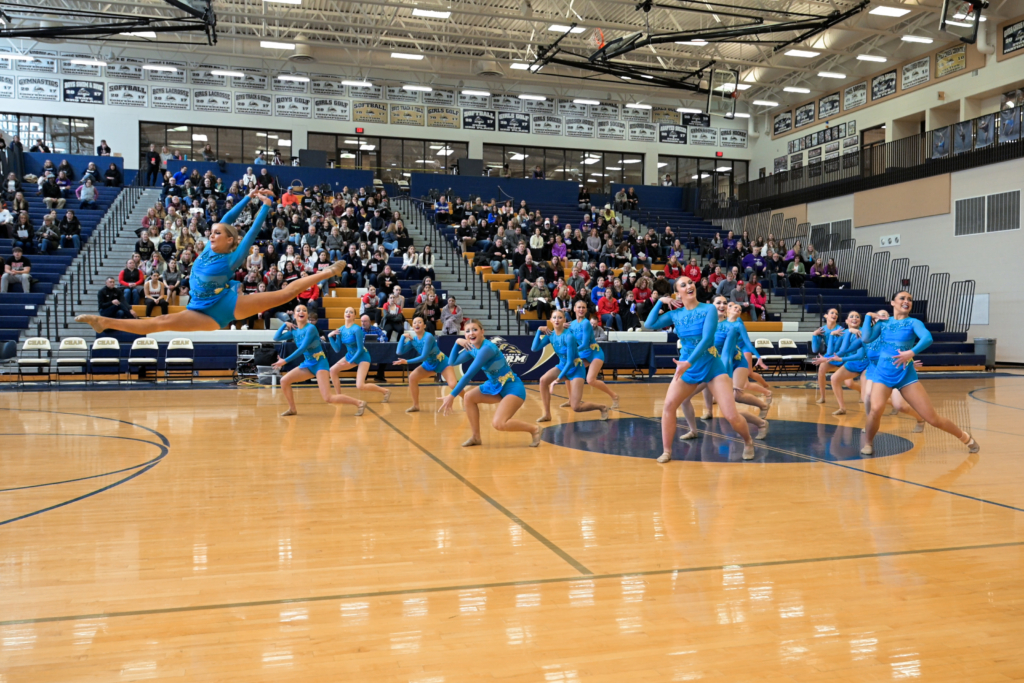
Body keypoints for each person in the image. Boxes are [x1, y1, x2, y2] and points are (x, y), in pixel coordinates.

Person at [76, 190, 345, 334]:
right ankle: (105, 322)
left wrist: (265, 206)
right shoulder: (206, 250)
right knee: (159, 324)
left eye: (218, 232)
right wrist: (247, 197)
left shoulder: (232, 258)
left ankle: (328, 271)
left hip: (227, 304)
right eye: (211, 231)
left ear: (230, 241)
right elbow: (227, 216)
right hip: (201, 310)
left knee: (286, 292)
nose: (211, 233)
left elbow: (249, 234)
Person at [644, 278, 756, 463]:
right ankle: (667, 451)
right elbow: (649, 324)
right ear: (677, 293)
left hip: (712, 365)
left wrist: (687, 362)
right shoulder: (675, 314)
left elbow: (706, 340)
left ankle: (748, 441)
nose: (689, 286)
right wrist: (659, 302)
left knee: (730, 415)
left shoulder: (708, 309)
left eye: (690, 282)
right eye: (683, 285)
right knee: (669, 406)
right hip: (688, 367)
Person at [860, 292, 979, 455]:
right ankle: (868, 443)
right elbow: (866, 338)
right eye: (902, 298)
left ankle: (965, 437)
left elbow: (927, 338)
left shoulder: (913, 322)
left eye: (909, 299)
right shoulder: (883, 323)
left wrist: (911, 352)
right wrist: (868, 316)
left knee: (933, 419)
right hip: (883, 375)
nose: (906, 301)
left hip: (906, 375)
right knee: (876, 409)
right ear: (893, 303)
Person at [437, 319, 541, 448]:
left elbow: (469, 375)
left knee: (499, 424)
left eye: (475, 329)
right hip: (494, 386)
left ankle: (534, 429)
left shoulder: (487, 348)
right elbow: (452, 363)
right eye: (467, 331)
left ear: (482, 332)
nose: (471, 333)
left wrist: (451, 395)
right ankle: (476, 437)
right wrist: (457, 342)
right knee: (469, 397)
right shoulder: (472, 347)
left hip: (512, 387)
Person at [274, 305, 367, 416]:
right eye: (298, 310)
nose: (301, 312)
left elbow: (302, 348)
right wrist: (285, 324)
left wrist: (285, 360)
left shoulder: (311, 328)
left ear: (307, 315)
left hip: (320, 364)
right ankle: (292, 409)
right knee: (284, 381)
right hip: (308, 364)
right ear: (294, 315)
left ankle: (359, 402)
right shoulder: (295, 331)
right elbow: (276, 337)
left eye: (304, 310)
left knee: (328, 398)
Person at [533, 310, 609, 423]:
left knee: (576, 407)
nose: (557, 320)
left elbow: (570, 362)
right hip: (562, 366)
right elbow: (534, 348)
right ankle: (547, 415)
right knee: (543, 380)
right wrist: (539, 331)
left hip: (576, 369)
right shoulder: (551, 335)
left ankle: (602, 407)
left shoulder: (569, 337)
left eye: (560, 317)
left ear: (564, 320)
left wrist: (557, 380)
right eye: (554, 317)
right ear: (550, 320)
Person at [327, 306, 391, 403]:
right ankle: (339, 396)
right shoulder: (340, 330)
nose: (348, 313)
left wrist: (350, 362)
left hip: (362, 356)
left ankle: (385, 391)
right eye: (346, 311)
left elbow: (360, 349)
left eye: (351, 312)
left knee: (360, 385)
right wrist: (330, 337)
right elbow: (337, 349)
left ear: (354, 316)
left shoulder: (357, 329)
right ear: (344, 315)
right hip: (350, 355)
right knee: (332, 370)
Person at [395, 316, 458, 413]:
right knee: (412, 377)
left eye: (419, 322)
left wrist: (406, 361)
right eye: (415, 322)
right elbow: (399, 352)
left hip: (442, 362)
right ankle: (416, 406)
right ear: (412, 326)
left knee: (453, 385)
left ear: (424, 325)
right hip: (428, 365)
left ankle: (467, 400)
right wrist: (403, 337)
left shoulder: (428, 337)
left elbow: (423, 356)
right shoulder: (413, 341)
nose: (417, 324)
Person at [567, 299, 619, 408]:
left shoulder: (586, 323)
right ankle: (570, 399)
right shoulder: (572, 324)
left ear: (586, 310)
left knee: (590, 380)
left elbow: (585, 344)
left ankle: (614, 396)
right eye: (579, 307)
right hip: (584, 354)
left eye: (583, 307)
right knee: (569, 372)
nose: (581, 309)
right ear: (574, 309)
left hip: (595, 354)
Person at [811, 307, 843, 404]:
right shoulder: (822, 330)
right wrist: (814, 335)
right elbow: (815, 349)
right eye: (832, 313)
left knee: (850, 382)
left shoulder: (840, 330)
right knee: (821, 369)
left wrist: (826, 358)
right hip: (830, 356)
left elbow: (838, 349)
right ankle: (822, 397)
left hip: (842, 356)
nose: (835, 315)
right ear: (826, 316)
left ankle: (861, 393)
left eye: (836, 314)